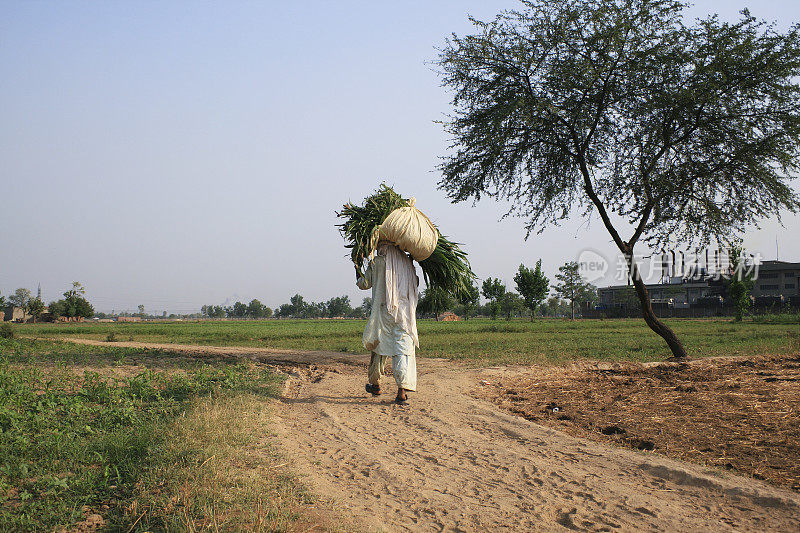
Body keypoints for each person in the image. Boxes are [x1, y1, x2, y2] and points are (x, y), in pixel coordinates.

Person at [356, 242, 419, 405]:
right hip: (404, 316)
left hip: (383, 313)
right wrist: (410, 262)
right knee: (402, 352)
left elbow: (364, 284)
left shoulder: (376, 263)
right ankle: (402, 392)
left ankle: (376, 385)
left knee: (378, 348)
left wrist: (356, 266)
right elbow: (416, 283)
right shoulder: (407, 263)